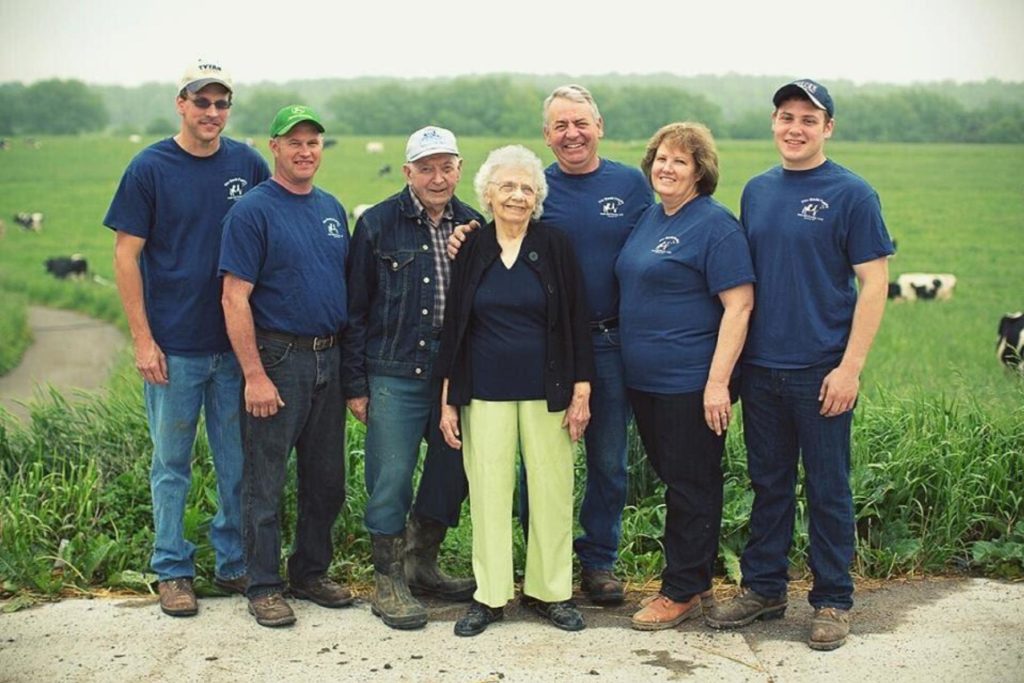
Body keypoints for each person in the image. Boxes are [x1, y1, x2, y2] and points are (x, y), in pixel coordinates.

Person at [705, 80, 893, 651]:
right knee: (768, 485)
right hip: (761, 369)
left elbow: (875, 282)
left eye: (809, 119)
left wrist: (850, 367)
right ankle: (764, 589)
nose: (795, 128)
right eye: (786, 117)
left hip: (821, 372)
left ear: (827, 128)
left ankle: (833, 599)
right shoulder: (758, 191)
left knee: (829, 488)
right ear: (774, 123)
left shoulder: (853, 194)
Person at [448, 85, 653, 604]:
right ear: (547, 135)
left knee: (605, 459)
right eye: (560, 125)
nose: (572, 133)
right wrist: (464, 237)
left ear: (599, 125)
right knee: (517, 471)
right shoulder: (539, 185)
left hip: (608, 338)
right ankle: (516, 572)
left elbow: (655, 245)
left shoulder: (630, 185)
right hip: (543, 347)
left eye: (581, 123)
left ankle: (597, 562)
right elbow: (494, 236)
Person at [103, 58, 270, 617]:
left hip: (232, 348)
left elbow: (270, 228)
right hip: (173, 346)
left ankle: (232, 563)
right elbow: (126, 257)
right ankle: (172, 569)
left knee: (235, 463)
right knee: (171, 462)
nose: (213, 113)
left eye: (222, 103)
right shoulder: (150, 167)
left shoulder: (247, 162)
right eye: (202, 102)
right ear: (181, 103)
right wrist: (142, 339)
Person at [436, 145, 595, 636]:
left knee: (551, 489)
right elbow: (454, 326)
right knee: (488, 491)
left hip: (548, 390)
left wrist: (582, 389)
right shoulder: (472, 248)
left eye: (527, 187)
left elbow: (576, 320)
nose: (518, 196)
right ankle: (490, 596)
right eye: (507, 186)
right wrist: (447, 399)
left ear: (537, 197)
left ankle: (552, 592)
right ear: (487, 193)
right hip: (483, 390)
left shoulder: (555, 246)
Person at [615, 123, 755, 630]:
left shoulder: (715, 226)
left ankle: (682, 590)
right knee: (677, 480)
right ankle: (692, 579)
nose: (666, 168)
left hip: (690, 382)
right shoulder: (651, 217)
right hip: (645, 381)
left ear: (700, 171)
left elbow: (739, 307)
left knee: (692, 485)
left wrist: (717, 384)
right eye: (660, 158)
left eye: (679, 161)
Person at [342, 126, 482, 630]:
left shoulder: (475, 224)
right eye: (426, 168)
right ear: (408, 173)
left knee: (453, 470)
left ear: (460, 169)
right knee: (390, 477)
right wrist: (355, 384)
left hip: (453, 377)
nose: (437, 177)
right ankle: (388, 581)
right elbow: (355, 310)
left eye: (446, 166)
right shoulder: (378, 224)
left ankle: (421, 561)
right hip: (394, 370)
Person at [219, 105, 353, 628]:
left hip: (330, 355)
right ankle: (264, 584)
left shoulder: (331, 207)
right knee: (265, 481)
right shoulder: (253, 211)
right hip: (278, 358)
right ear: (273, 147)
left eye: (313, 142)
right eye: (293, 141)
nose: (304, 151)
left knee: (326, 480)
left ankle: (310, 572)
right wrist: (254, 373)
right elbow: (234, 297)